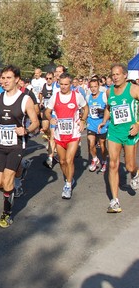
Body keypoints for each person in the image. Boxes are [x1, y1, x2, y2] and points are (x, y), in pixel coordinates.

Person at [0, 65, 39, 228]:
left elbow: (36, 122)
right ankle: (15, 180)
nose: (5, 81)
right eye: (2, 78)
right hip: (1, 144)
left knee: (8, 179)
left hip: (17, 144)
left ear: (17, 79)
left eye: (8, 78)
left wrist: (26, 129)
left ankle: (6, 214)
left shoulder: (25, 99)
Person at [97, 63, 139, 213]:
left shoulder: (134, 89)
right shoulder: (109, 92)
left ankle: (135, 173)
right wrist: (104, 121)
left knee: (129, 166)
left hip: (130, 132)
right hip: (114, 132)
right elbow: (109, 107)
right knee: (113, 164)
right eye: (112, 74)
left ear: (125, 75)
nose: (114, 77)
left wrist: (138, 124)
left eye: (117, 74)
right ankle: (114, 201)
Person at [44, 72, 88, 200]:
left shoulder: (77, 96)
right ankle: (70, 177)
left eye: (66, 84)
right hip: (59, 134)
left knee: (69, 160)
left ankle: (68, 185)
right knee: (62, 161)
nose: (63, 87)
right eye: (61, 84)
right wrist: (50, 119)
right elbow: (47, 111)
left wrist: (83, 120)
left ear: (70, 84)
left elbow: (86, 108)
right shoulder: (55, 96)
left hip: (73, 133)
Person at [86, 77, 108, 173]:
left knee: (102, 145)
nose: (93, 89)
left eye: (95, 86)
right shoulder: (88, 97)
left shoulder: (104, 96)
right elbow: (85, 109)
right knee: (91, 144)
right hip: (91, 123)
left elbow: (109, 109)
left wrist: (103, 111)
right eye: (92, 87)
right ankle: (95, 159)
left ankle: (104, 161)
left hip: (102, 124)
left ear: (99, 86)